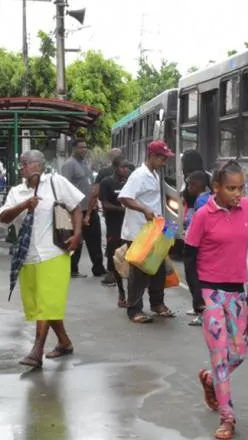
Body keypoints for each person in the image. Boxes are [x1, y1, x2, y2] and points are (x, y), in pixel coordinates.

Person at [185, 160, 248, 440]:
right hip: (210, 292)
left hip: (236, 293)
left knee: (239, 352)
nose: (238, 193)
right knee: (220, 355)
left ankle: (210, 379)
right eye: (231, 188)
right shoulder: (203, 215)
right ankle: (227, 417)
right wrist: (198, 299)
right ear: (216, 187)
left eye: (241, 188)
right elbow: (190, 258)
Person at [0, 150, 83, 367]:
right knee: (42, 304)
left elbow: (76, 208)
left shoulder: (56, 182)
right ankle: (64, 342)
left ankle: (37, 350)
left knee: (46, 303)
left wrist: (77, 234)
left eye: (25, 163)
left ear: (38, 165)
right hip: (27, 256)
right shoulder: (16, 192)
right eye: (21, 164)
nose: (22, 168)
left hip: (53, 253)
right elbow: (3, 218)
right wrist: (24, 205)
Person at [118, 140, 176, 324]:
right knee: (138, 273)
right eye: (162, 158)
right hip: (138, 232)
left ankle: (157, 303)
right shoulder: (139, 175)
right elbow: (124, 198)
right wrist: (143, 209)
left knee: (158, 269)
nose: (164, 162)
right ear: (152, 156)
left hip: (155, 230)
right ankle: (134, 309)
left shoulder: (155, 174)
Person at [61, 138, 107, 279]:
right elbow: (65, 187)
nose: (84, 150)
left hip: (90, 209)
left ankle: (98, 268)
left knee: (95, 239)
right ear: (74, 148)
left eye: (85, 147)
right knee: (77, 240)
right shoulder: (69, 165)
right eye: (81, 147)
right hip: (77, 210)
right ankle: (72, 269)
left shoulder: (85, 164)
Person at [181, 170, 211, 326]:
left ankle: (201, 310)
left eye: (189, 185)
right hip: (199, 241)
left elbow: (195, 223)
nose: (188, 188)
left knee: (194, 276)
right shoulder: (207, 198)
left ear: (195, 185)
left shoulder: (201, 201)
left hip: (195, 243)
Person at [99, 157, 131, 306]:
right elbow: (105, 204)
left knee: (130, 259)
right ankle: (121, 293)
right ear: (115, 168)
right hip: (114, 226)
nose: (126, 170)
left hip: (128, 226)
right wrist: (121, 209)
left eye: (127, 167)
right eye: (123, 167)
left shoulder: (129, 181)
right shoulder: (107, 183)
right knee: (117, 260)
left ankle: (131, 293)